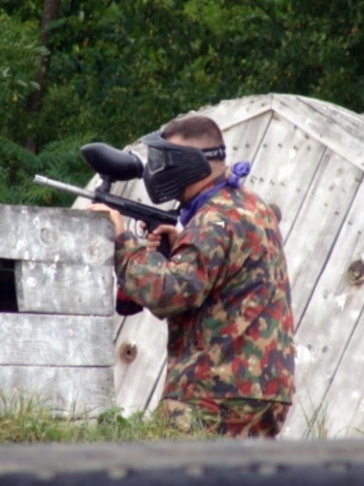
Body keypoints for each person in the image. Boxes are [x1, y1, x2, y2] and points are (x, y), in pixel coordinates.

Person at [91, 115, 295, 438]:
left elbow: (167, 293)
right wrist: (179, 251)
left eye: (168, 161)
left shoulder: (213, 220)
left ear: (192, 165)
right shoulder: (253, 207)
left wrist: (121, 241)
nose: (160, 171)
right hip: (265, 391)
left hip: (214, 392)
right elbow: (217, 285)